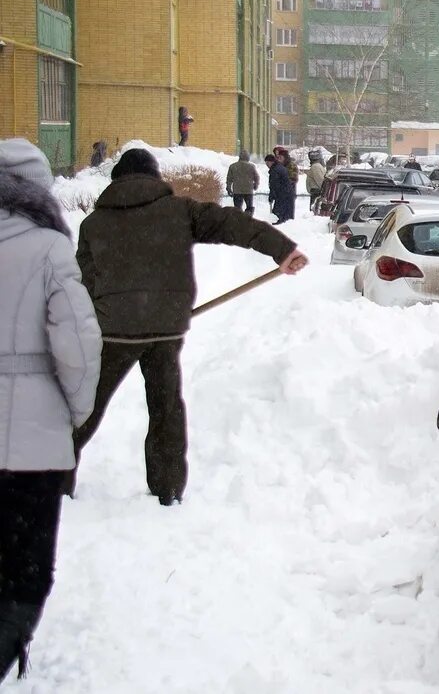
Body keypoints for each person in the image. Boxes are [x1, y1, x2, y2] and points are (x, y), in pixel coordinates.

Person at [69, 149, 307, 504]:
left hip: (114, 327)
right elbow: (232, 224)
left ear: (116, 180)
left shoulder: (94, 224)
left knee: (84, 407)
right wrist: (282, 250)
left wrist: (96, 316)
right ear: (154, 177)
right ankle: (167, 490)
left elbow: (84, 281)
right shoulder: (179, 211)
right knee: (166, 408)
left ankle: (51, 480)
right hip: (165, 326)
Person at [0, 139, 101, 681]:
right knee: (26, 568)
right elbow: (79, 345)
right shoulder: (48, 248)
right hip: (31, 449)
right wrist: (76, 412)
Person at [226, 151, 259, 216]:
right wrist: (255, 185)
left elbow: (229, 179)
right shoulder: (251, 166)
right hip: (248, 191)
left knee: (237, 209)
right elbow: (256, 177)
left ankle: (239, 220)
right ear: (247, 157)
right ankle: (248, 218)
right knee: (249, 207)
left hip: (237, 191)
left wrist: (229, 188)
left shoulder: (233, 166)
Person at [265, 154, 292, 225]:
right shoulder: (280, 167)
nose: (267, 165)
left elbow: (274, 185)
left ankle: (277, 225)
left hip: (281, 194)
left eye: (267, 163)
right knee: (281, 212)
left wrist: (271, 196)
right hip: (286, 192)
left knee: (276, 214)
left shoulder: (275, 170)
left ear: (271, 162)